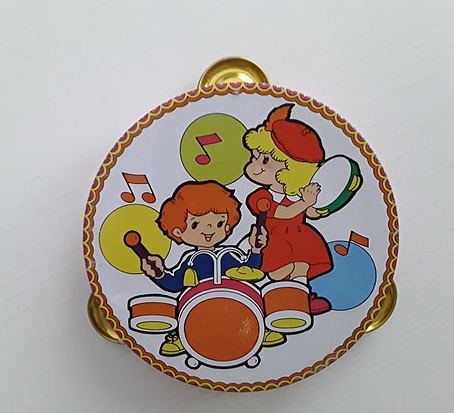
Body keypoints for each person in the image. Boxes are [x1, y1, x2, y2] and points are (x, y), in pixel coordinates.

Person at [139, 181, 282, 355]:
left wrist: (256, 249)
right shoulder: (191, 262)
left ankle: (259, 328)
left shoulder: (230, 255)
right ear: (178, 231)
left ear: (228, 226)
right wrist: (158, 273)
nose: (209, 229)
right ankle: (183, 335)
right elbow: (174, 283)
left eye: (219, 223)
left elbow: (250, 269)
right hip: (198, 314)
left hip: (240, 310)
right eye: (195, 224)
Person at [244, 104, 333, 315]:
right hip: (272, 241)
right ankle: (275, 301)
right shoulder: (261, 197)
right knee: (278, 272)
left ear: (291, 169)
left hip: (299, 238)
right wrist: (305, 203)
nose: (254, 166)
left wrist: (318, 209)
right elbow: (284, 213)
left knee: (301, 266)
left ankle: (301, 299)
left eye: (265, 160)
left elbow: (307, 213)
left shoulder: (297, 196)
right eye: (255, 158)